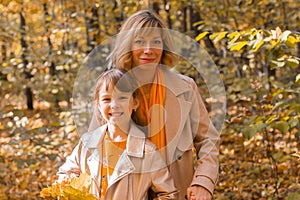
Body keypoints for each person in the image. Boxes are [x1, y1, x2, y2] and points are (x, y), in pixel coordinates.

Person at [103, 10, 220, 200]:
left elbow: (208, 140)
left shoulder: (185, 87)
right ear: (128, 46)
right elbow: (95, 144)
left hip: (176, 190)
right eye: (140, 41)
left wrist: (203, 182)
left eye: (156, 42)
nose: (148, 49)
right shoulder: (110, 89)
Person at [57, 68, 178, 199]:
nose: (114, 105)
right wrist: (73, 190)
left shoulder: (147, 152)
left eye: (122, 98)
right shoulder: (87, 143)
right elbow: (65, 175)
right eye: (106, 99)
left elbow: (169, 194)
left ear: (135, 103)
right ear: (98, 104)